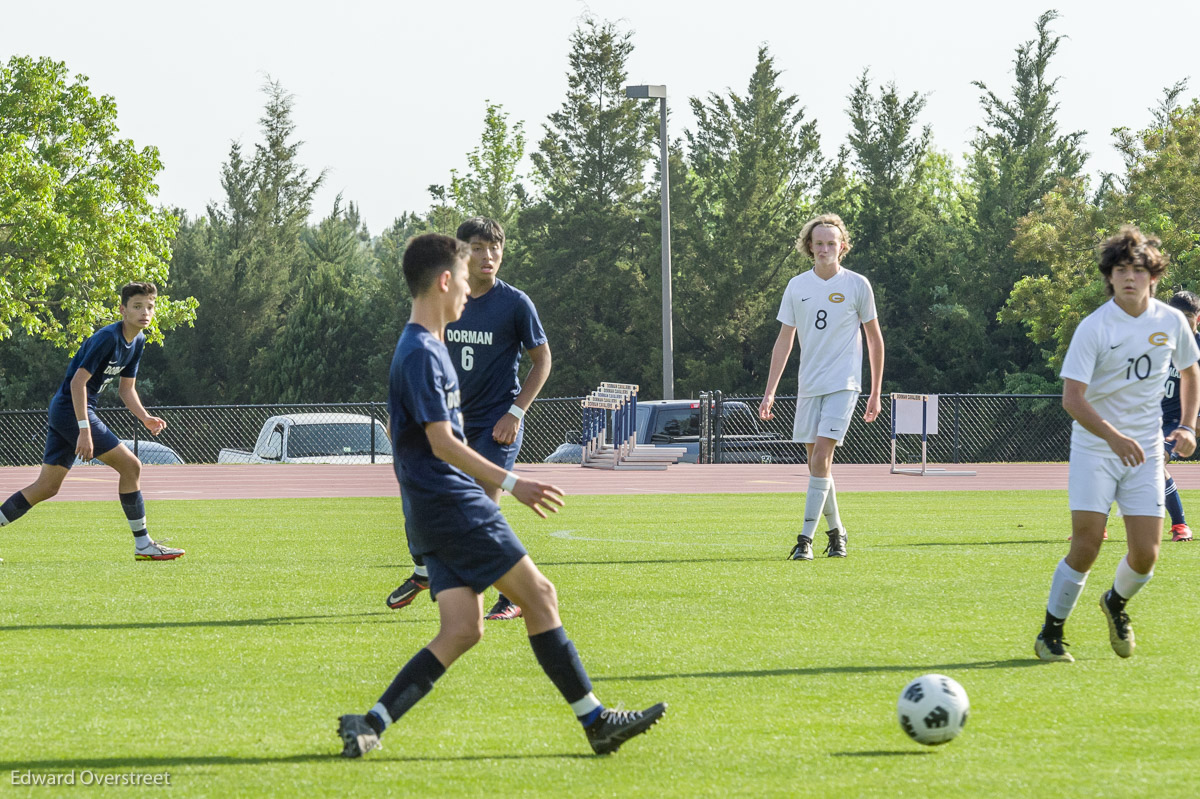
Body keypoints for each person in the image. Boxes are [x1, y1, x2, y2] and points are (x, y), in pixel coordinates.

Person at [338, 233, 665, 758]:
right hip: (452, 503)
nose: (469, 292)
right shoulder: (422, 352)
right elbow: (441, 443)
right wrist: (517, 484)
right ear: (445, 280)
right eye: (464, 281)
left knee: (463, 629)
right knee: (540, 596)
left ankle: (371, 721)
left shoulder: (427, 346)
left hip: (431, 511)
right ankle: (596, 720)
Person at [1035, 227, 1199, 663]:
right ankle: (1051, 632)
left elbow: (1191, 372)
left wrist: (1188, 427)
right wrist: (1113, 436)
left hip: (1145, 451)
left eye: (1138, 269)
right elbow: (1072, 398)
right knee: (1086, 544)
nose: (1130, 277)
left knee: (1146, 554)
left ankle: (1115, 603)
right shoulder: (1094, 327)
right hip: (1095, 448)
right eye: (1121, 269)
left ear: (1154, 276)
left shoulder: (1171, 321)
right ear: (1109, 277)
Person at [386, 216, 551, 621]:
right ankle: (427, 570)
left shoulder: (515, 303)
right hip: (449, 423)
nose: (488, 256)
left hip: (497, 424)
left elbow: (542, 360)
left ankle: (509, 595)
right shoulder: (447, 298)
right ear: (460, 253)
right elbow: (423, 358)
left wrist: (516, 412)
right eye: (478, 247)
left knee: (481, 509)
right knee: (424, 493)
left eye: (495, 248)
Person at [0, 282, 183, 561]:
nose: (145, 312)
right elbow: (77, 383)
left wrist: (144, 417)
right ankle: (143, 544)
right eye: (137, 306)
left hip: (69, 412)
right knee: (131, 465)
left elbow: (126, 389)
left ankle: (144, 545)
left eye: (150, 306)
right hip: (71, 410)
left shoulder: (139, 341)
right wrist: (84, 430)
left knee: (47, 487)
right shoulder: (108, 338)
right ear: (122, 310)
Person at [758, 214, 885, 560]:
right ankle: (838, 533)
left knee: (821, 456)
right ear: (809, 247)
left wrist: (874, 391)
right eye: (819, 243)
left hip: (844, 385)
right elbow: (784, 340)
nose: (825, 248)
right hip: (808, 386)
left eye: (832, 243)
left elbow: (874, 340)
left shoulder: (858, 285)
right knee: (817, 465)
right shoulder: (796, 286)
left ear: (842, 246)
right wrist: (770, 391)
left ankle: (805, 540)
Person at [1161, 290, 1200, 542]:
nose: (1183, 321)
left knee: (1152, 463)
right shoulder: (1157, 342)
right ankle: (1099, 527)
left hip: (1178, 424)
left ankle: (1180, 525)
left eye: (1188, 316)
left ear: (1198, 318)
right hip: (1147, 420)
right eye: (1177, 315)